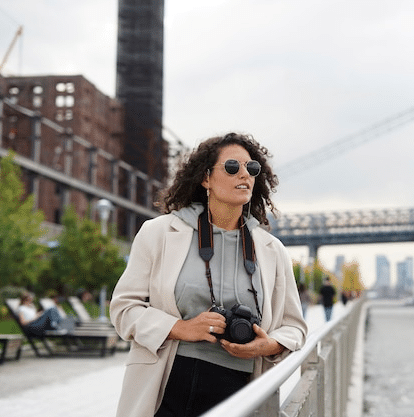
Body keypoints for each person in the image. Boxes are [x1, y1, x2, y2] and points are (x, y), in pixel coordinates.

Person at [110, 132, 308, 417]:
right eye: (232, 167)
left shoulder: (271, 250)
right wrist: (182, 328)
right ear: (206, 179)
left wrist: (267, 345)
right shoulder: (160, 233)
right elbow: (123, 309)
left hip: (242, 389)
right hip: (167, 383)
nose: (244, 174)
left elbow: (295, 327)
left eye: (252, 168)